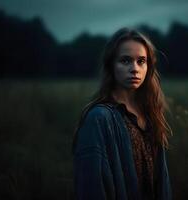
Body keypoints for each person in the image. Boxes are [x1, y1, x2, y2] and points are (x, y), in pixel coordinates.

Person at [72, 27, 172, 200]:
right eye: (125, 61)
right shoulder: (98, 118)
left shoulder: (151, 114)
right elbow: (91, 187)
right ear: (111, 65)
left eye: (141, 61)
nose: (135, 69)